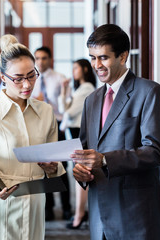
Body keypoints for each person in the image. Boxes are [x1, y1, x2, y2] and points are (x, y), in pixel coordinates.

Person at [0, 34, 65, 240]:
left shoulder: (46, 112)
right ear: (3, 77)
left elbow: (56, 162)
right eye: (18, 79)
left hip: (36, 201)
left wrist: (53, 167)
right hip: (3, 201)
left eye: (31, 75)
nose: (27, 85)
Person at [71, 24, 160, 240]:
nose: (96, 65)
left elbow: (155, 152)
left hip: (135, 216)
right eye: (93, 58)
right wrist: (81, 173)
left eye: (103, 58)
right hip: (98, 219)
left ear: (123, 56)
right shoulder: (91, 100)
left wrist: (104, 160)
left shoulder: (150, 92)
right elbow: (85, 151)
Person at [32, 46, 72, 220]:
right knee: (43, 169)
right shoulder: (30, 79)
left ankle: (67, 208)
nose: (40, 62)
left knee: (61, 169)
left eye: (44, 58)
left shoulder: (60, 79)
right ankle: (48, 209)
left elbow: (68, 105)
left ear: (50, 59)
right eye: (37, 58)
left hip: (57, 126)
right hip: (38, 127)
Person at [57, 59, 96, 229]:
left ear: (85, 69)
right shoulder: (80, 89)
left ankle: (79, 216)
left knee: (80, 176)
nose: (73, 71)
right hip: (75, 133)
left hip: (80, 134)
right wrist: (64, 90)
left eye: (76, 68)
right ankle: (80, 215)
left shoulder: (87, 88)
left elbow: (68, 112)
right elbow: (63, 108)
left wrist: (66, 99)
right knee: (79, 175)